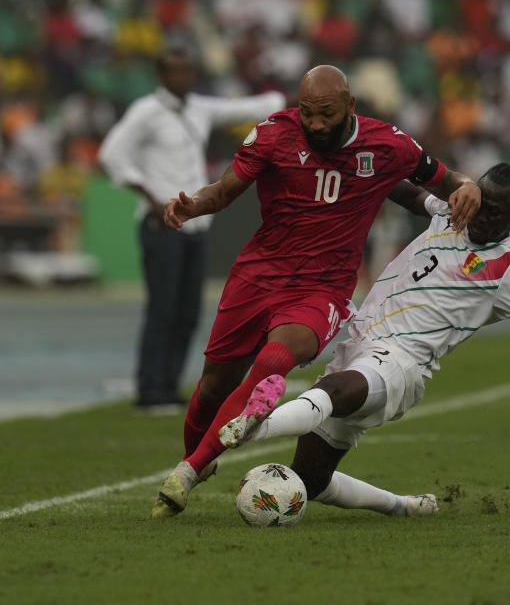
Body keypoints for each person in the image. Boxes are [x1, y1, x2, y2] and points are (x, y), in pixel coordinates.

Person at [218, 162, 510, 518]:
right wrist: (355, 156)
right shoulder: (451, 211)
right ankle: (402, 506)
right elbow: (397, 182)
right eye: (479, 201)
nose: (479, 215)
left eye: (495, 211)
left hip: (401, 366)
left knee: (335, 393)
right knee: (310, 482)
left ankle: (251, 427)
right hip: (356, 346)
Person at [151, 64, 482, 517]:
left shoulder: (388, 144)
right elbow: (226, 190)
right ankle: (198, 459)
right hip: (259, 274)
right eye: (308, 113)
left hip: (322, 288)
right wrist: (192, 206)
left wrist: (469, 187)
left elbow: (445, 179)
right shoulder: (273, 134)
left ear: (349, 105)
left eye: (326, 113)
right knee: (213, 385)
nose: (316, 124)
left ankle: (188, 471)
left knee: (273, 360)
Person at [98, 44, 285, 411]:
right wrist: (150, 196)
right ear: (162, 76)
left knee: (187, 312)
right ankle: (149, 389)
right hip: (161, 223)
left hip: (195, 226)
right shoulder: (146, 112)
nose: (183, 78)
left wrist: (290, 98)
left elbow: (247, 108)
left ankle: (168, 386)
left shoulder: (200, 107)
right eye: (175, 72)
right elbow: (111, 154)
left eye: (187, 71)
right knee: (162, 308)